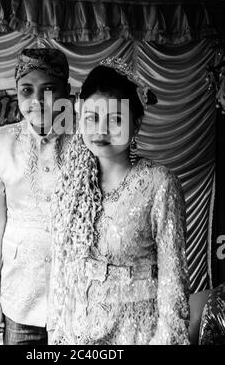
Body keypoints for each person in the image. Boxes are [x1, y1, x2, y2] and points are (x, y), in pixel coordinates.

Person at [49, 57, 190, 345]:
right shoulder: (73, 184)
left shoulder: (158, 184)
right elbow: (62, 271)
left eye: (115, 119)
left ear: (136, 124)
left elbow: (173, 280)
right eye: (91, 117)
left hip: (139, 334)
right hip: (82, 333)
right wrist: (58, 334)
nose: (100, 130)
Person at [0, 47, 71, 345]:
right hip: (20, 297)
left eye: (49, 89)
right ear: (16, 92)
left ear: (67, 91)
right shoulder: (2, 142)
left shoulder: (88, 138)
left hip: (77, 296)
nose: (37, 101)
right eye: (27, 90)